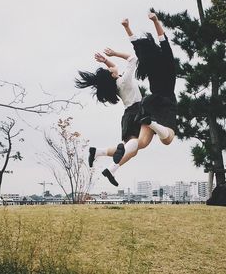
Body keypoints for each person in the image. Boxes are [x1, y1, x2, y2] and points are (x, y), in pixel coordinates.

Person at [104, 13, 177, 178]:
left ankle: (112, 168)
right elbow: (162, 39)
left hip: (149, 103)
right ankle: (152, 124)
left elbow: (137, 46)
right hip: (166, 101)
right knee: (168, 139)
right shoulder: (167, 60)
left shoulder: (149, 65)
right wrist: (156, 21)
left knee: (141, 143)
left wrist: (127, 27)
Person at [75, 49, 142, 186]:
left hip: (127, 116)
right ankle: (111, 167)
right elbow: (133, 59)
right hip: (137, 112)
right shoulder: (124, 80)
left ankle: (97, 152)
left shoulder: (117, 84)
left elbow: (112, 71)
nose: (112, 67)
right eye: (110, 70)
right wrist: (115, 54)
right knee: (134, 146)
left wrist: (106, 60)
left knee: (129, 149)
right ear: (112, 75)